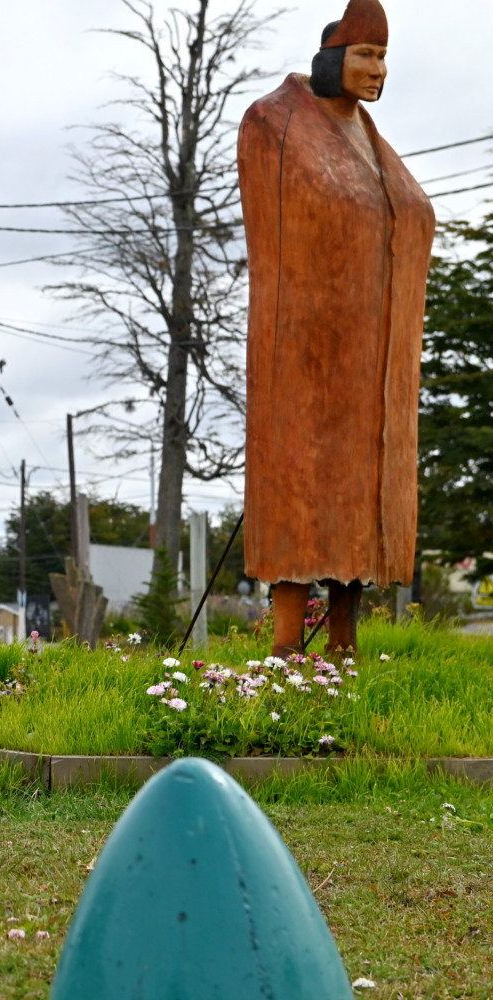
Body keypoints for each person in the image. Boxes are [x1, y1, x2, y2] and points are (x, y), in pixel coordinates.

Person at [238, 0, 435, 656]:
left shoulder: (374, 143)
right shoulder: (275, 122)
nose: (378, 69)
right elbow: (284, 230)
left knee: (359, 502)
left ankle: (344, 647)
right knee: (300, 498)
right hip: (303, 361)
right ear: (332, 55)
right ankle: (286, 649)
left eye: (383, 57)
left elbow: (407, 212)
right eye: (365, 54)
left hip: (373, 367)